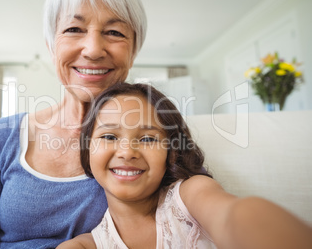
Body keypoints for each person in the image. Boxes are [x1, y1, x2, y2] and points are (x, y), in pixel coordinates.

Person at [0, 0, 147, 248]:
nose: (93, 49)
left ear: (133, 51)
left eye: (115, 32)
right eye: (74, 29)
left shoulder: (157, 136)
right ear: (51, 46)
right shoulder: (3, 136)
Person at [57, 82, 312, 249]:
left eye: (147, 138)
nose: (127, 152)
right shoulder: (85, 245)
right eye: (109, 136)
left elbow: (233, 215)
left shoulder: (190, 196)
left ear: (171, 152)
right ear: (87, 149)